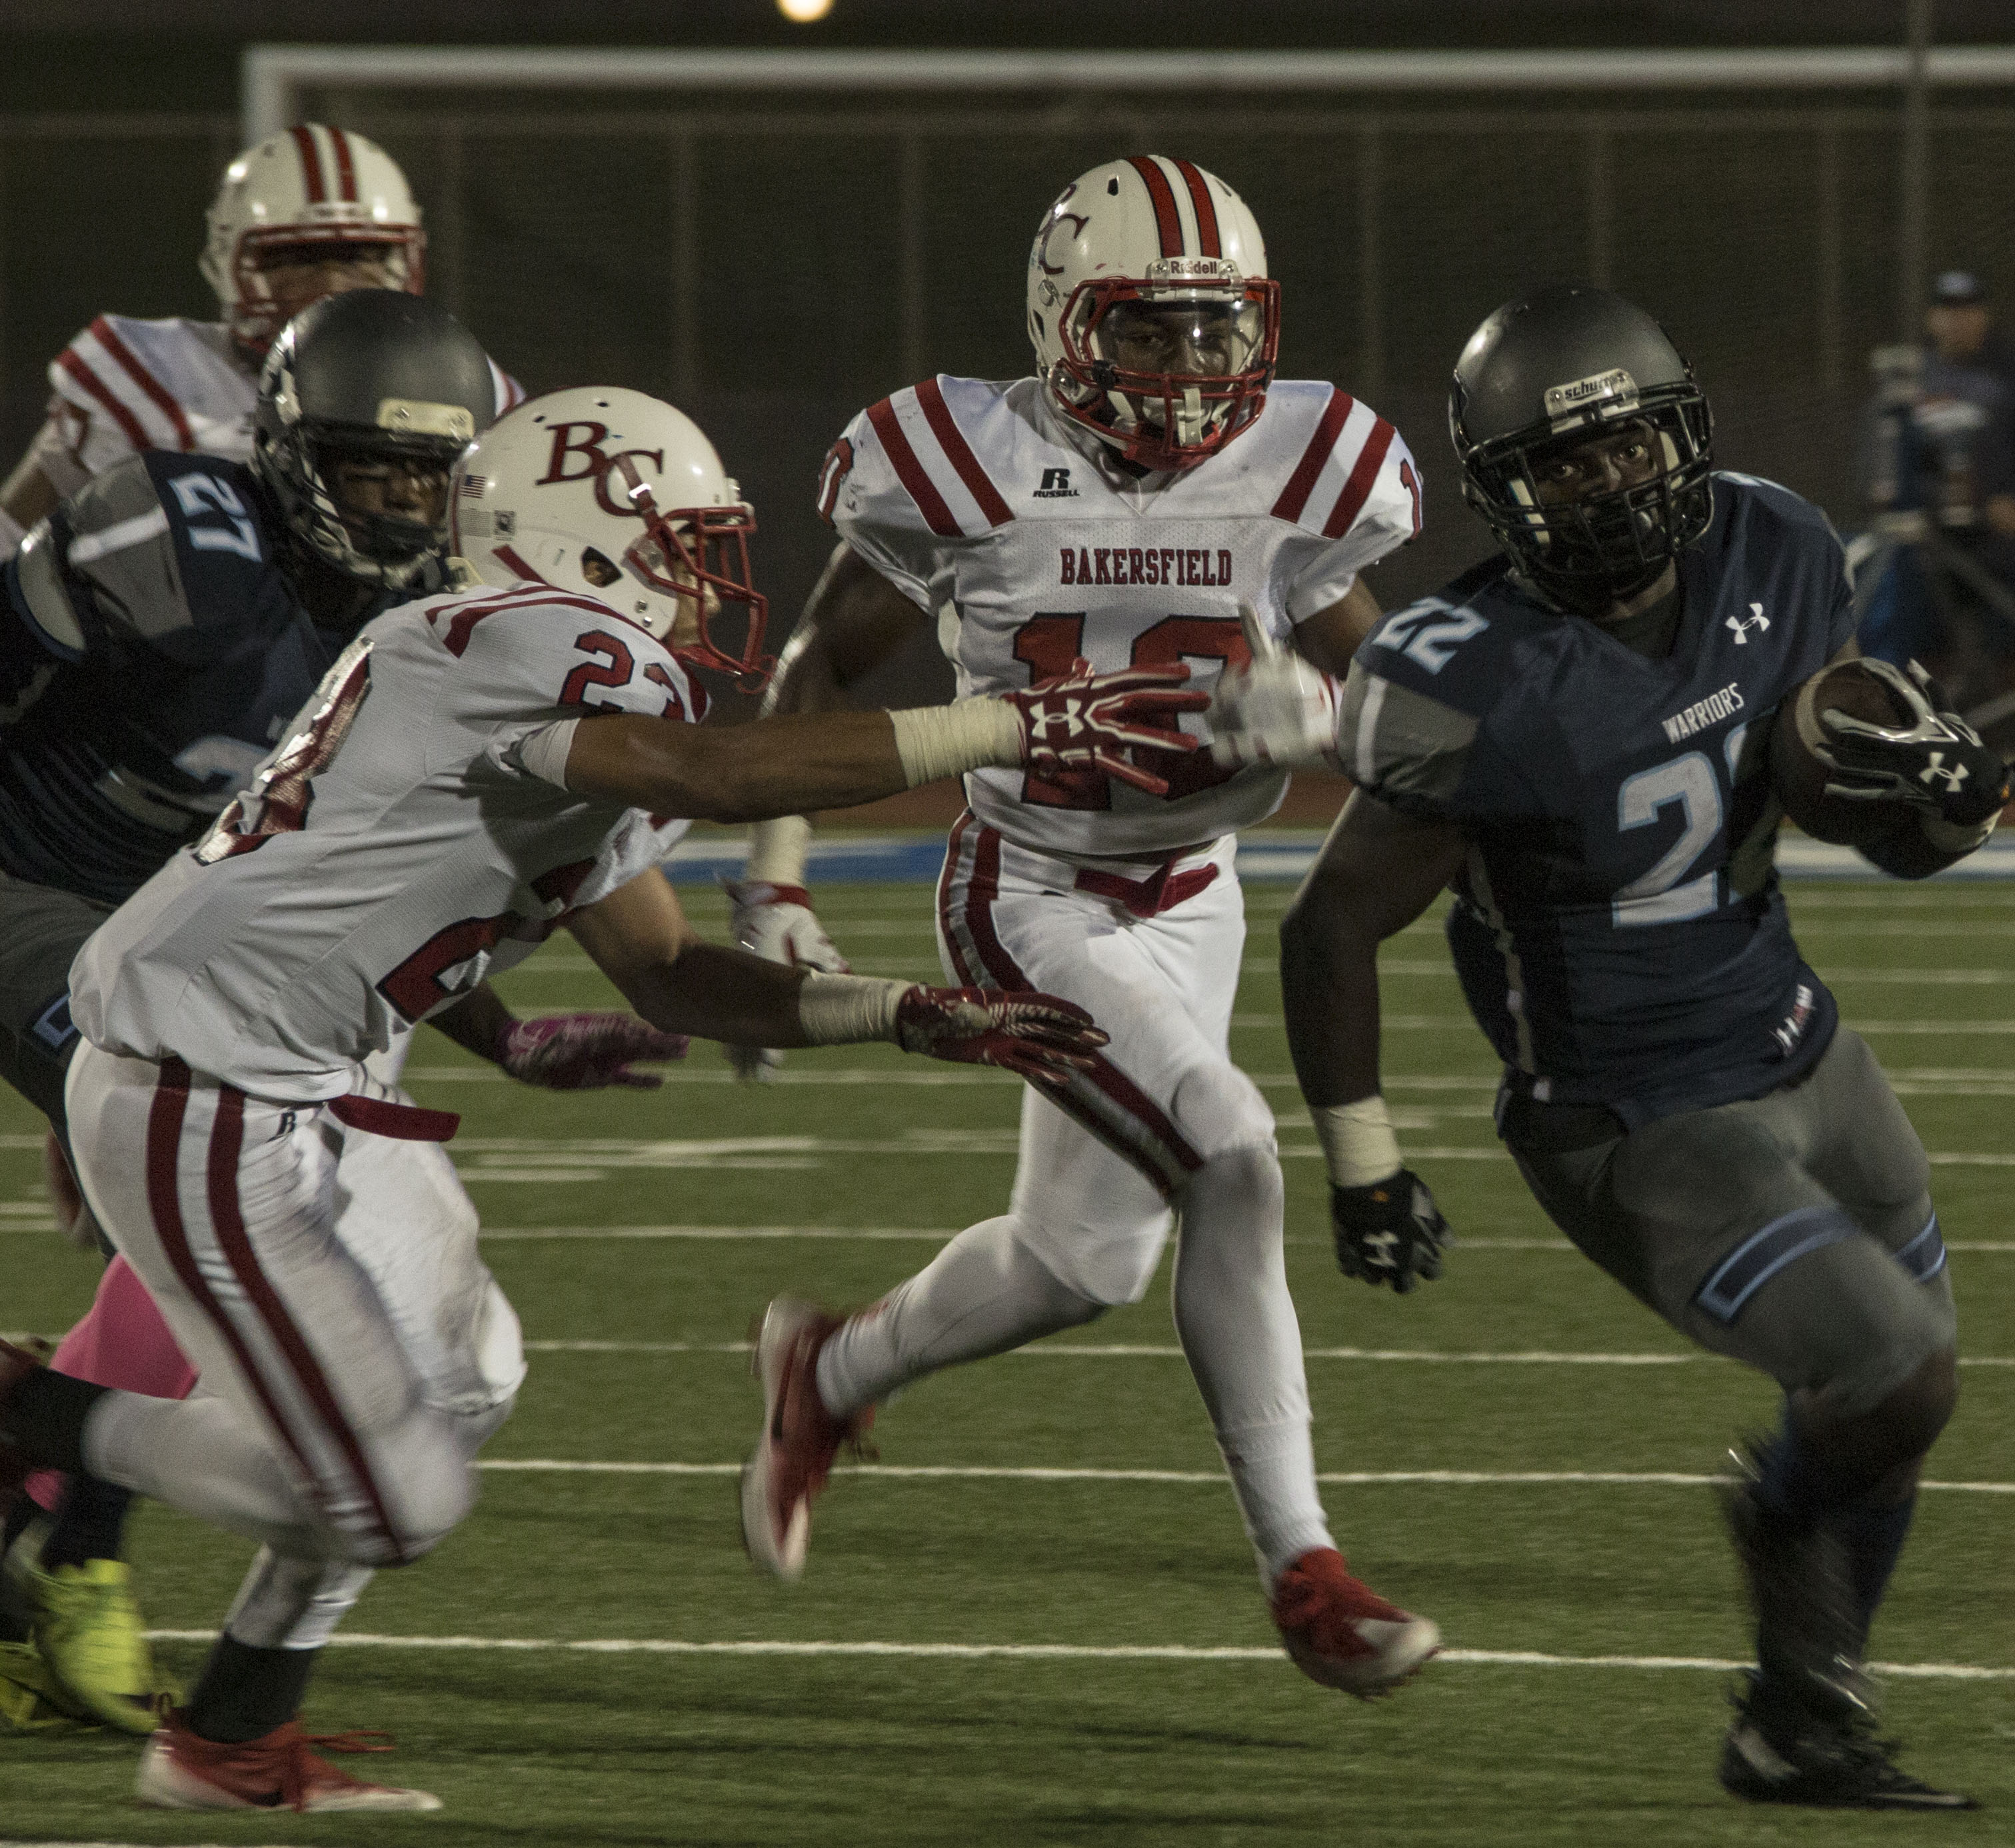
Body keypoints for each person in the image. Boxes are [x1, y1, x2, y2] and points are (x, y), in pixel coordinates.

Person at [0, 379, 1190, 1811]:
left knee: (469, 1373)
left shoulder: (557, 688)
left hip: (306, 1084)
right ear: (580, 541)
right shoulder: (525, 641)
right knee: (393, 1502)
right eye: (685, 543)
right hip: (206, 1084)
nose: (708, 581)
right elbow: (717, 771)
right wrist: (1007, 725)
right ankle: (27, 1409)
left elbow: (672, 973)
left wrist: (905, 1014)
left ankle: (232, 1734)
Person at [1273, 285, 2015, 1808]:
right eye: (1560, 464)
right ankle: (1772, 1528)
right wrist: (1366, 1164)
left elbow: (1833, 810)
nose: (1605, 483)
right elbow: (1332, 923)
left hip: (1808, 1048)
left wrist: (1933, 804)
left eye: (1625, 446)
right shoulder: (1462, 671)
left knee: (1889, 1405)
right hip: (1636, 1116)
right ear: (1500, 489)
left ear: (1682, 432)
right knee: (1896, 1376)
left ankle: (1799, 1723)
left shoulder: (1778, 547)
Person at [731, 155, 1440, 1698]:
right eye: (1148, 334)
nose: (1190, 374)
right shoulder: (963, 459)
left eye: (1214, 333)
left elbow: (1399, 718)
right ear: (1064, 324)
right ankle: (1305, 1569)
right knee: (1234, 1154)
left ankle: (828, 1369)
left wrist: (1313, 705)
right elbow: (817, 670)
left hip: (1195, 898)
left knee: (1081, 1262)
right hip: (1029, 886)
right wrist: (772, 880)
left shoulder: (1305, 465)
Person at [0, 291, 643, 1737]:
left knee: (234, 1166)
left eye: (437, 475)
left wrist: (510, 1034)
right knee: (203, 1147)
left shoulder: (449, 626)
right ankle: (74, 1553)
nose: (411, 506)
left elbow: (348, 920)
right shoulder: (174, 545)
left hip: (205, 930)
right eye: (374, 470)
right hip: (37, 886)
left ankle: (48, 1546)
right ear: (292, 457)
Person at [0, 124, 522, 559]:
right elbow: (12, 538)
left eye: (361, 255)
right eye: (296, 260)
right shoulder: (148, 373)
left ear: (408, 260)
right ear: (225, 265)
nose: (334, 285)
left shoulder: (466, 383)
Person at [1855, 269, 2015, 736]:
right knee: (1911, 631)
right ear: (1933, 318)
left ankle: (2013, 737)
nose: (1958, 321)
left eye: (1968, 310)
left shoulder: (2011, 378)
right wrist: (1882, 487)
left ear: (1984, 315)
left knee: (2009, 640)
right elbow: (1879, 453)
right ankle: (1909, 728)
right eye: (1948, 311)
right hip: (1924, 542)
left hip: (1993, 542)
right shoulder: (1913, 379)